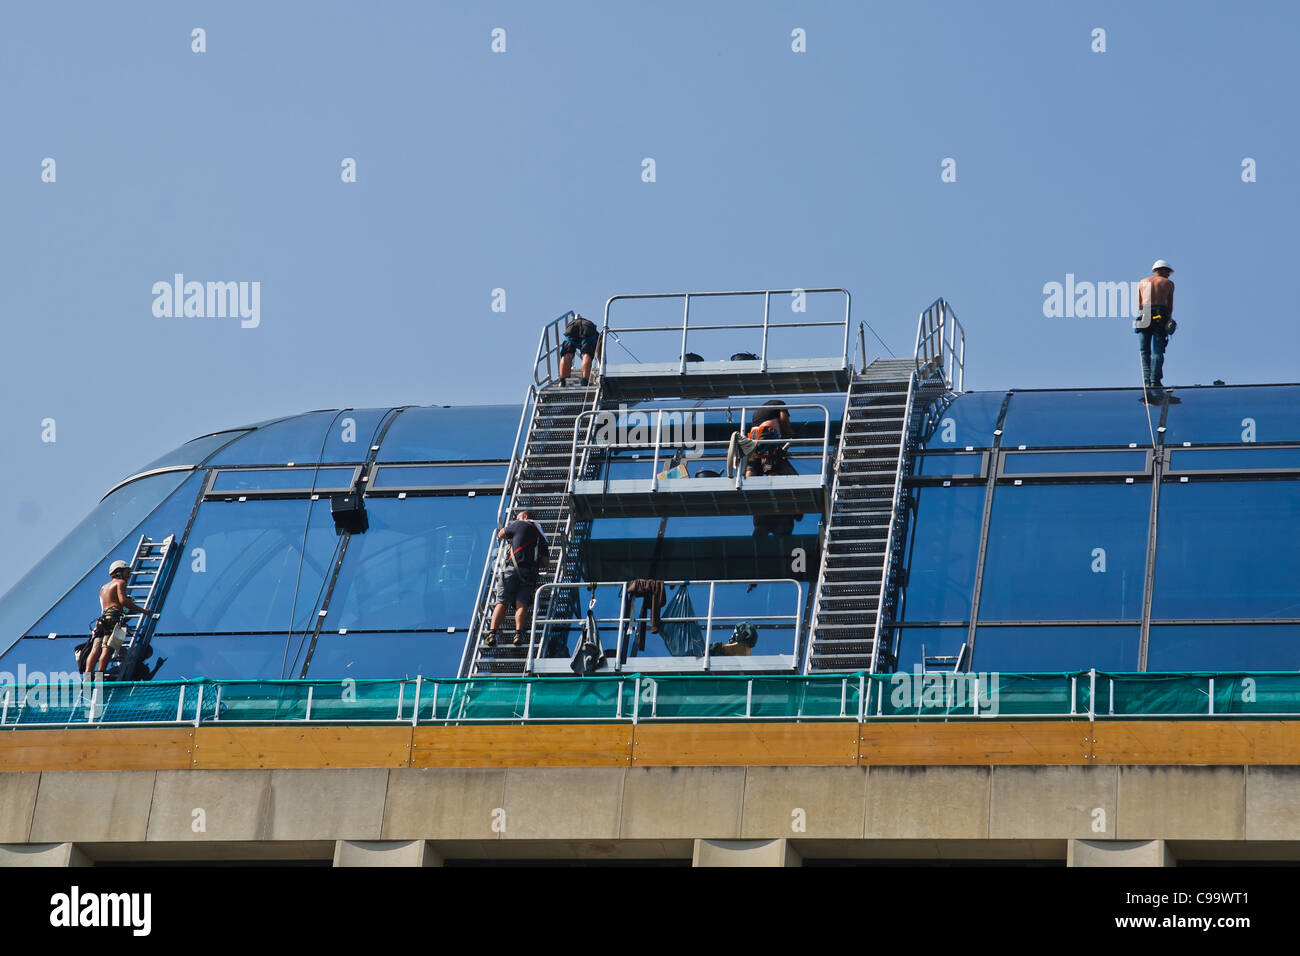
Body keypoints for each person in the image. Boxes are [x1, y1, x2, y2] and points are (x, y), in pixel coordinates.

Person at [484, 509, 550, 647]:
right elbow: (544, 563)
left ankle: (491, 633)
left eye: (518, 517)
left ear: (525, 517)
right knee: (521, 603)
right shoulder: (541, 537)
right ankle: (518, 634)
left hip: (512, 570)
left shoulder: (520, 524)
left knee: (502, 602)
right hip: (529, 574)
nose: (516, 519)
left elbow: (501, 534)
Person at [82, 560, 148, 676]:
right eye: (127, 572)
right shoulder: (120, 583)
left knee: (95, 649)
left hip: (101, 621)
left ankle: (87, 676)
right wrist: (143, 611)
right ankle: (99, 677)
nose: (129, 575)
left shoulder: (103, 587)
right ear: (119, 572)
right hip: (113, 619)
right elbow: (123, 601)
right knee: (107, 648)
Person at [1135, 259, 1175, 396]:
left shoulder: (1142, 282)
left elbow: (1139, 304)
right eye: (1168, 272)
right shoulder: (1168, 283)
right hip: (1159, 314)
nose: (1169, 275)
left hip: (1144, 314)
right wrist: (1168, 321)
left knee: (1144, 351)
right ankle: (1154, 381)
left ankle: (1147, 381)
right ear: (1164, 270)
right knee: (1157, 350)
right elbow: (1169, 305)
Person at [745, 399, 795, 477]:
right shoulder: (780, 403)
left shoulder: (759, 412)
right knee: (771, 466)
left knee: (753, 466)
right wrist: (790, 433)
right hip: (767, 435)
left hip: (753, 437)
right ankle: (773, 485)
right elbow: (784, 419)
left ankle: (746, 486)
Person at [557, 311, 600, 386]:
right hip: (587, 328)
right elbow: (600, 352)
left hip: (572, 326)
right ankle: (585, 381)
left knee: (567, 354)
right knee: (586, 355)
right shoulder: (597, 335)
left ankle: (562, 381)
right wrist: (601, 366)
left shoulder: (575, 322)